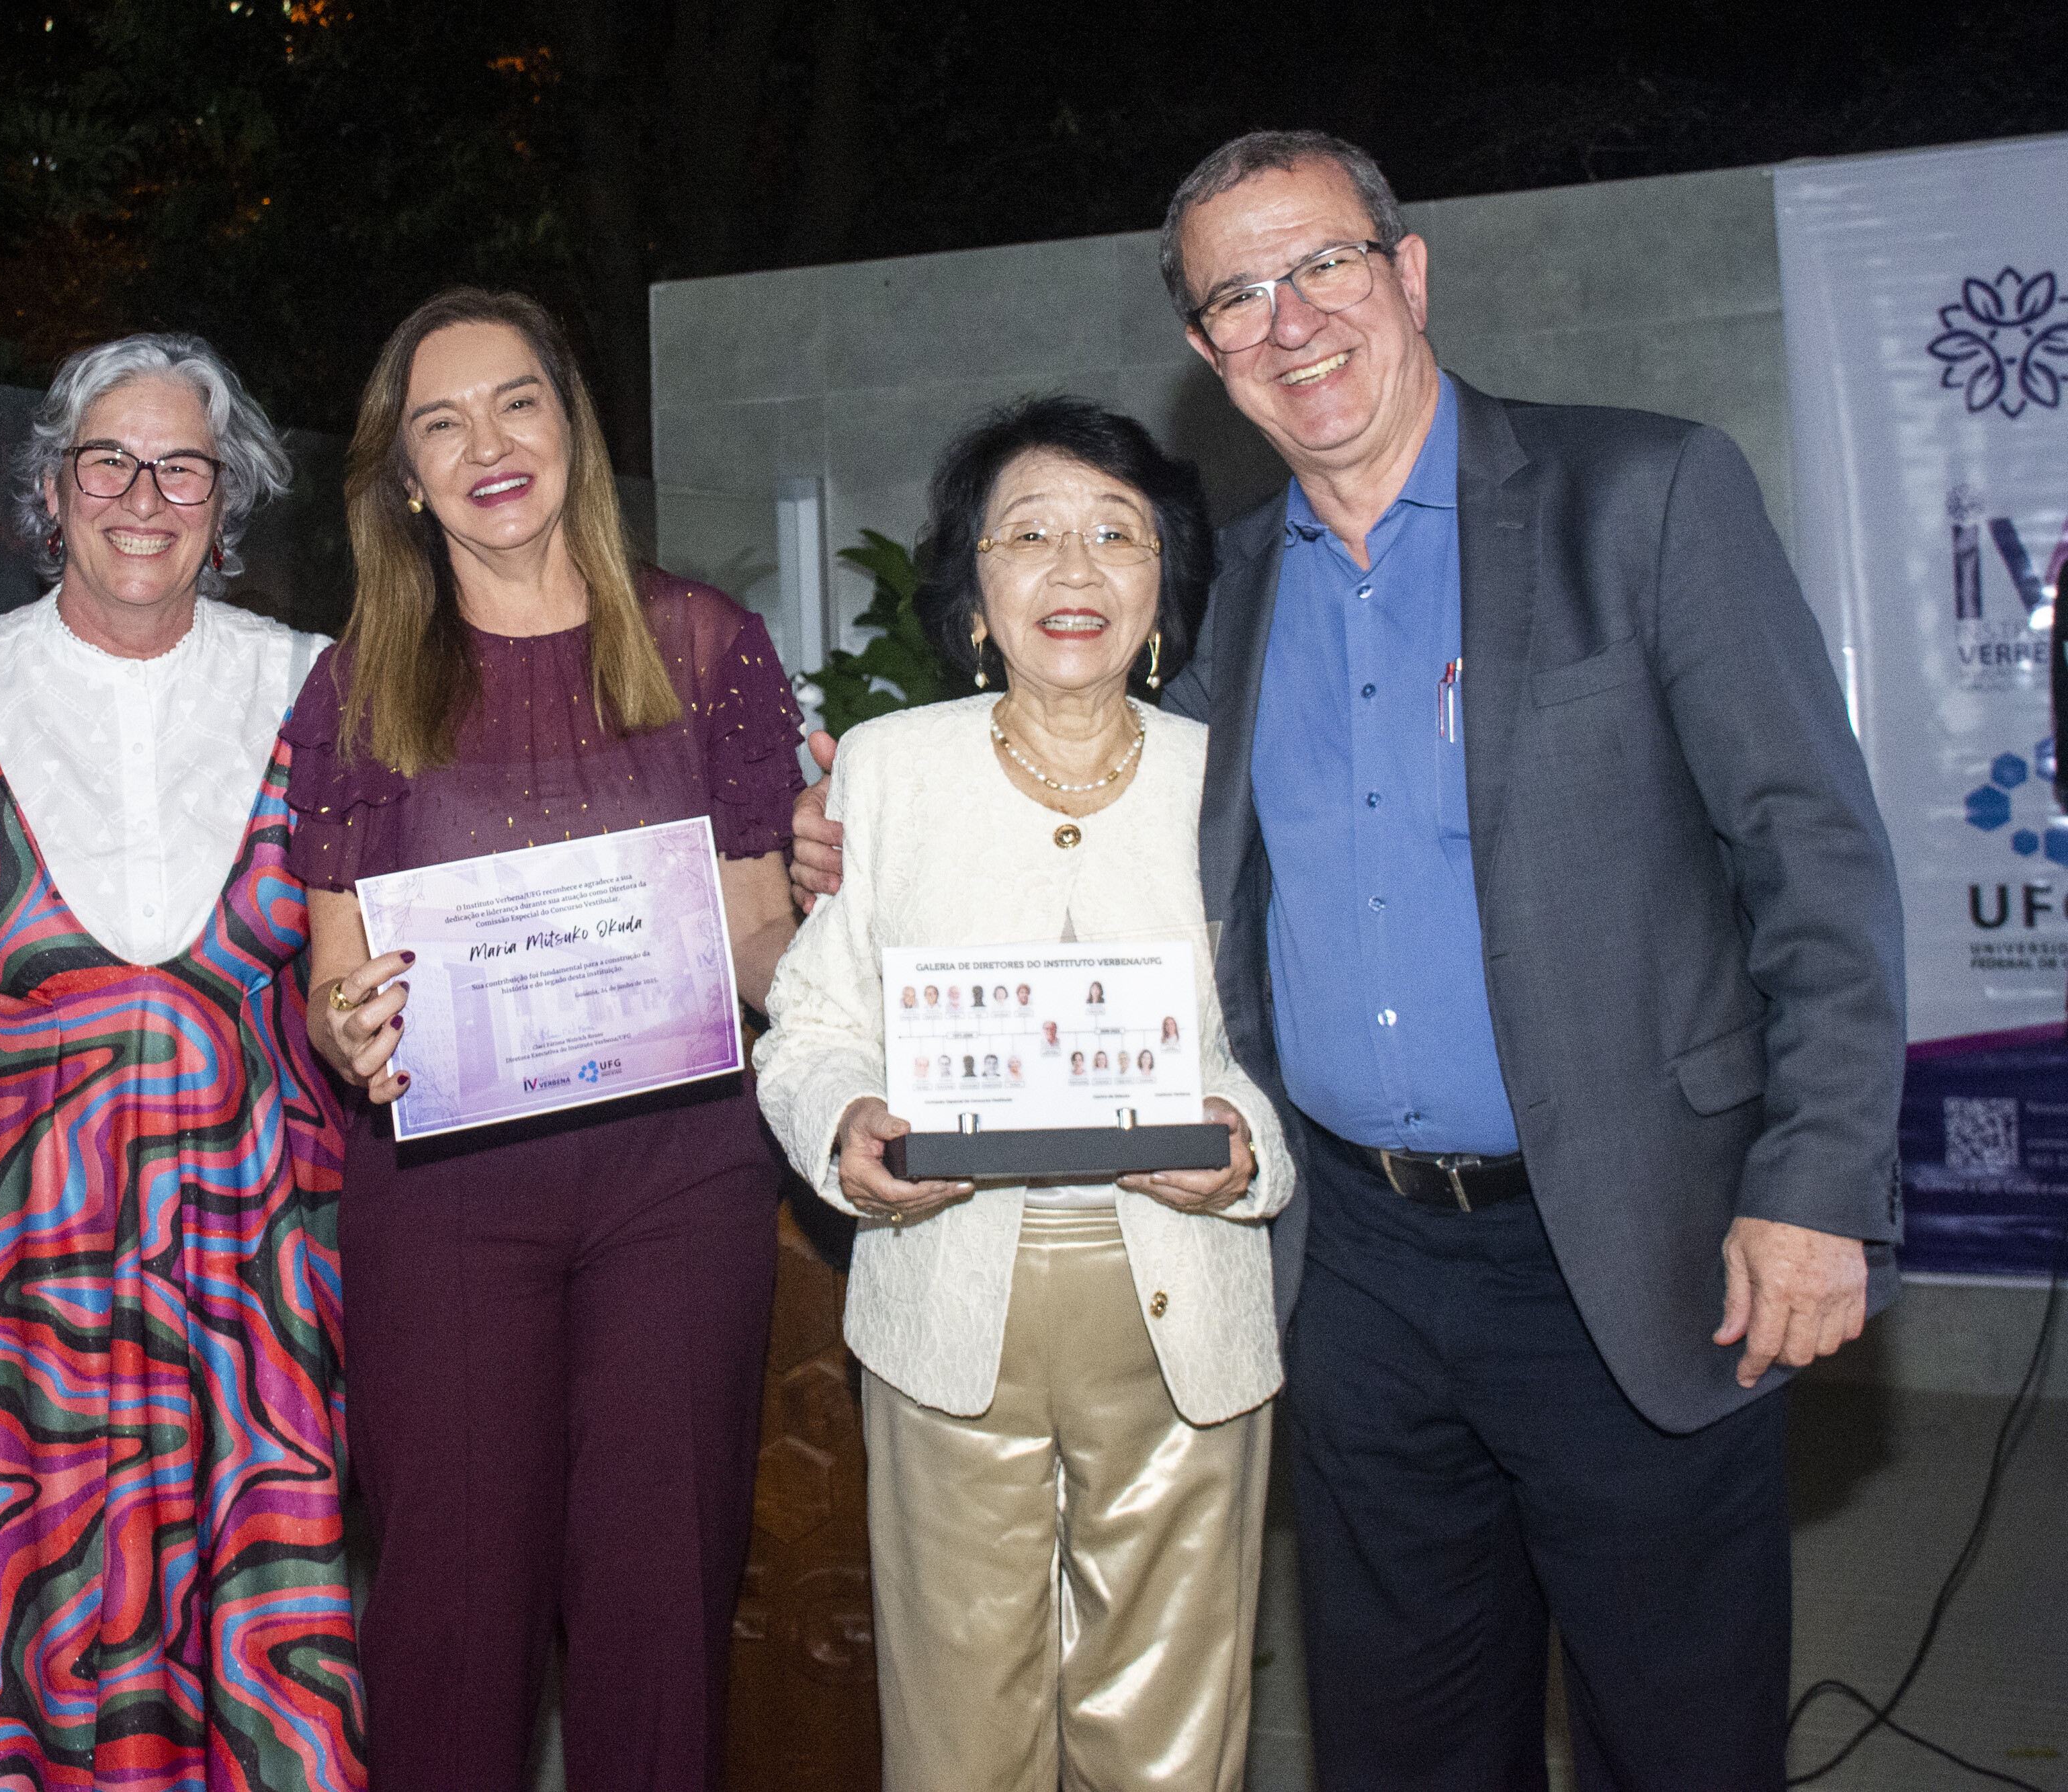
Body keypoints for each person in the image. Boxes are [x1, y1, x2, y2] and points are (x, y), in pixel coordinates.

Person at [793, 131, 1905, 1790]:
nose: (1287, 319)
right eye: (1233, 294)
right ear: (1201, 350)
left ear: (1408, 269)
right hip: (1357, 1276)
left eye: (1318, 263)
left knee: (1675, 1737)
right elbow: (1101, 858)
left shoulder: (1643, 495)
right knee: (1402, 1743)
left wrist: (1815, 1181)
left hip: (1629, 1243)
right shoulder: (1228, 595)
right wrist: (849, 853)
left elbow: (1812, 858)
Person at [0, 333, 362, 1789]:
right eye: (109, 459)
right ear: (53, 491)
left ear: (228, 503)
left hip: (246, 1302)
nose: (143, 493)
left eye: (182, 464)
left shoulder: (317, 691)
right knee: (4, 1688)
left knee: (254, 1672)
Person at [278, 287, 804, 1792]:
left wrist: (844, 975)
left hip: (679, 1182)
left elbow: (755, 927)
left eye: (516, 402)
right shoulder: (360, 684)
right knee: (452, 1611)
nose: (485, 444)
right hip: (443, 1193)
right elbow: (334, 979)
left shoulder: (703, 643)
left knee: (661, 1599)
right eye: (438, 424)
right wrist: (351, 1023)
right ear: (401, 477)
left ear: (570, 422)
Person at [757, 397, 1293, 1792]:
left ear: (1162, 584)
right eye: (1031, 535)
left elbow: (1285, 1034)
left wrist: (1251, 1146)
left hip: (1177, 1287)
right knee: (956, 1713)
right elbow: (812, 1019)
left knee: (1167, 1722)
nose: (1074, 570)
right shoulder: (889, 771)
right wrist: (842, 1122)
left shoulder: (1228, 777)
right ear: (975, 592)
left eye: (1115, 534)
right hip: (949, 1297)